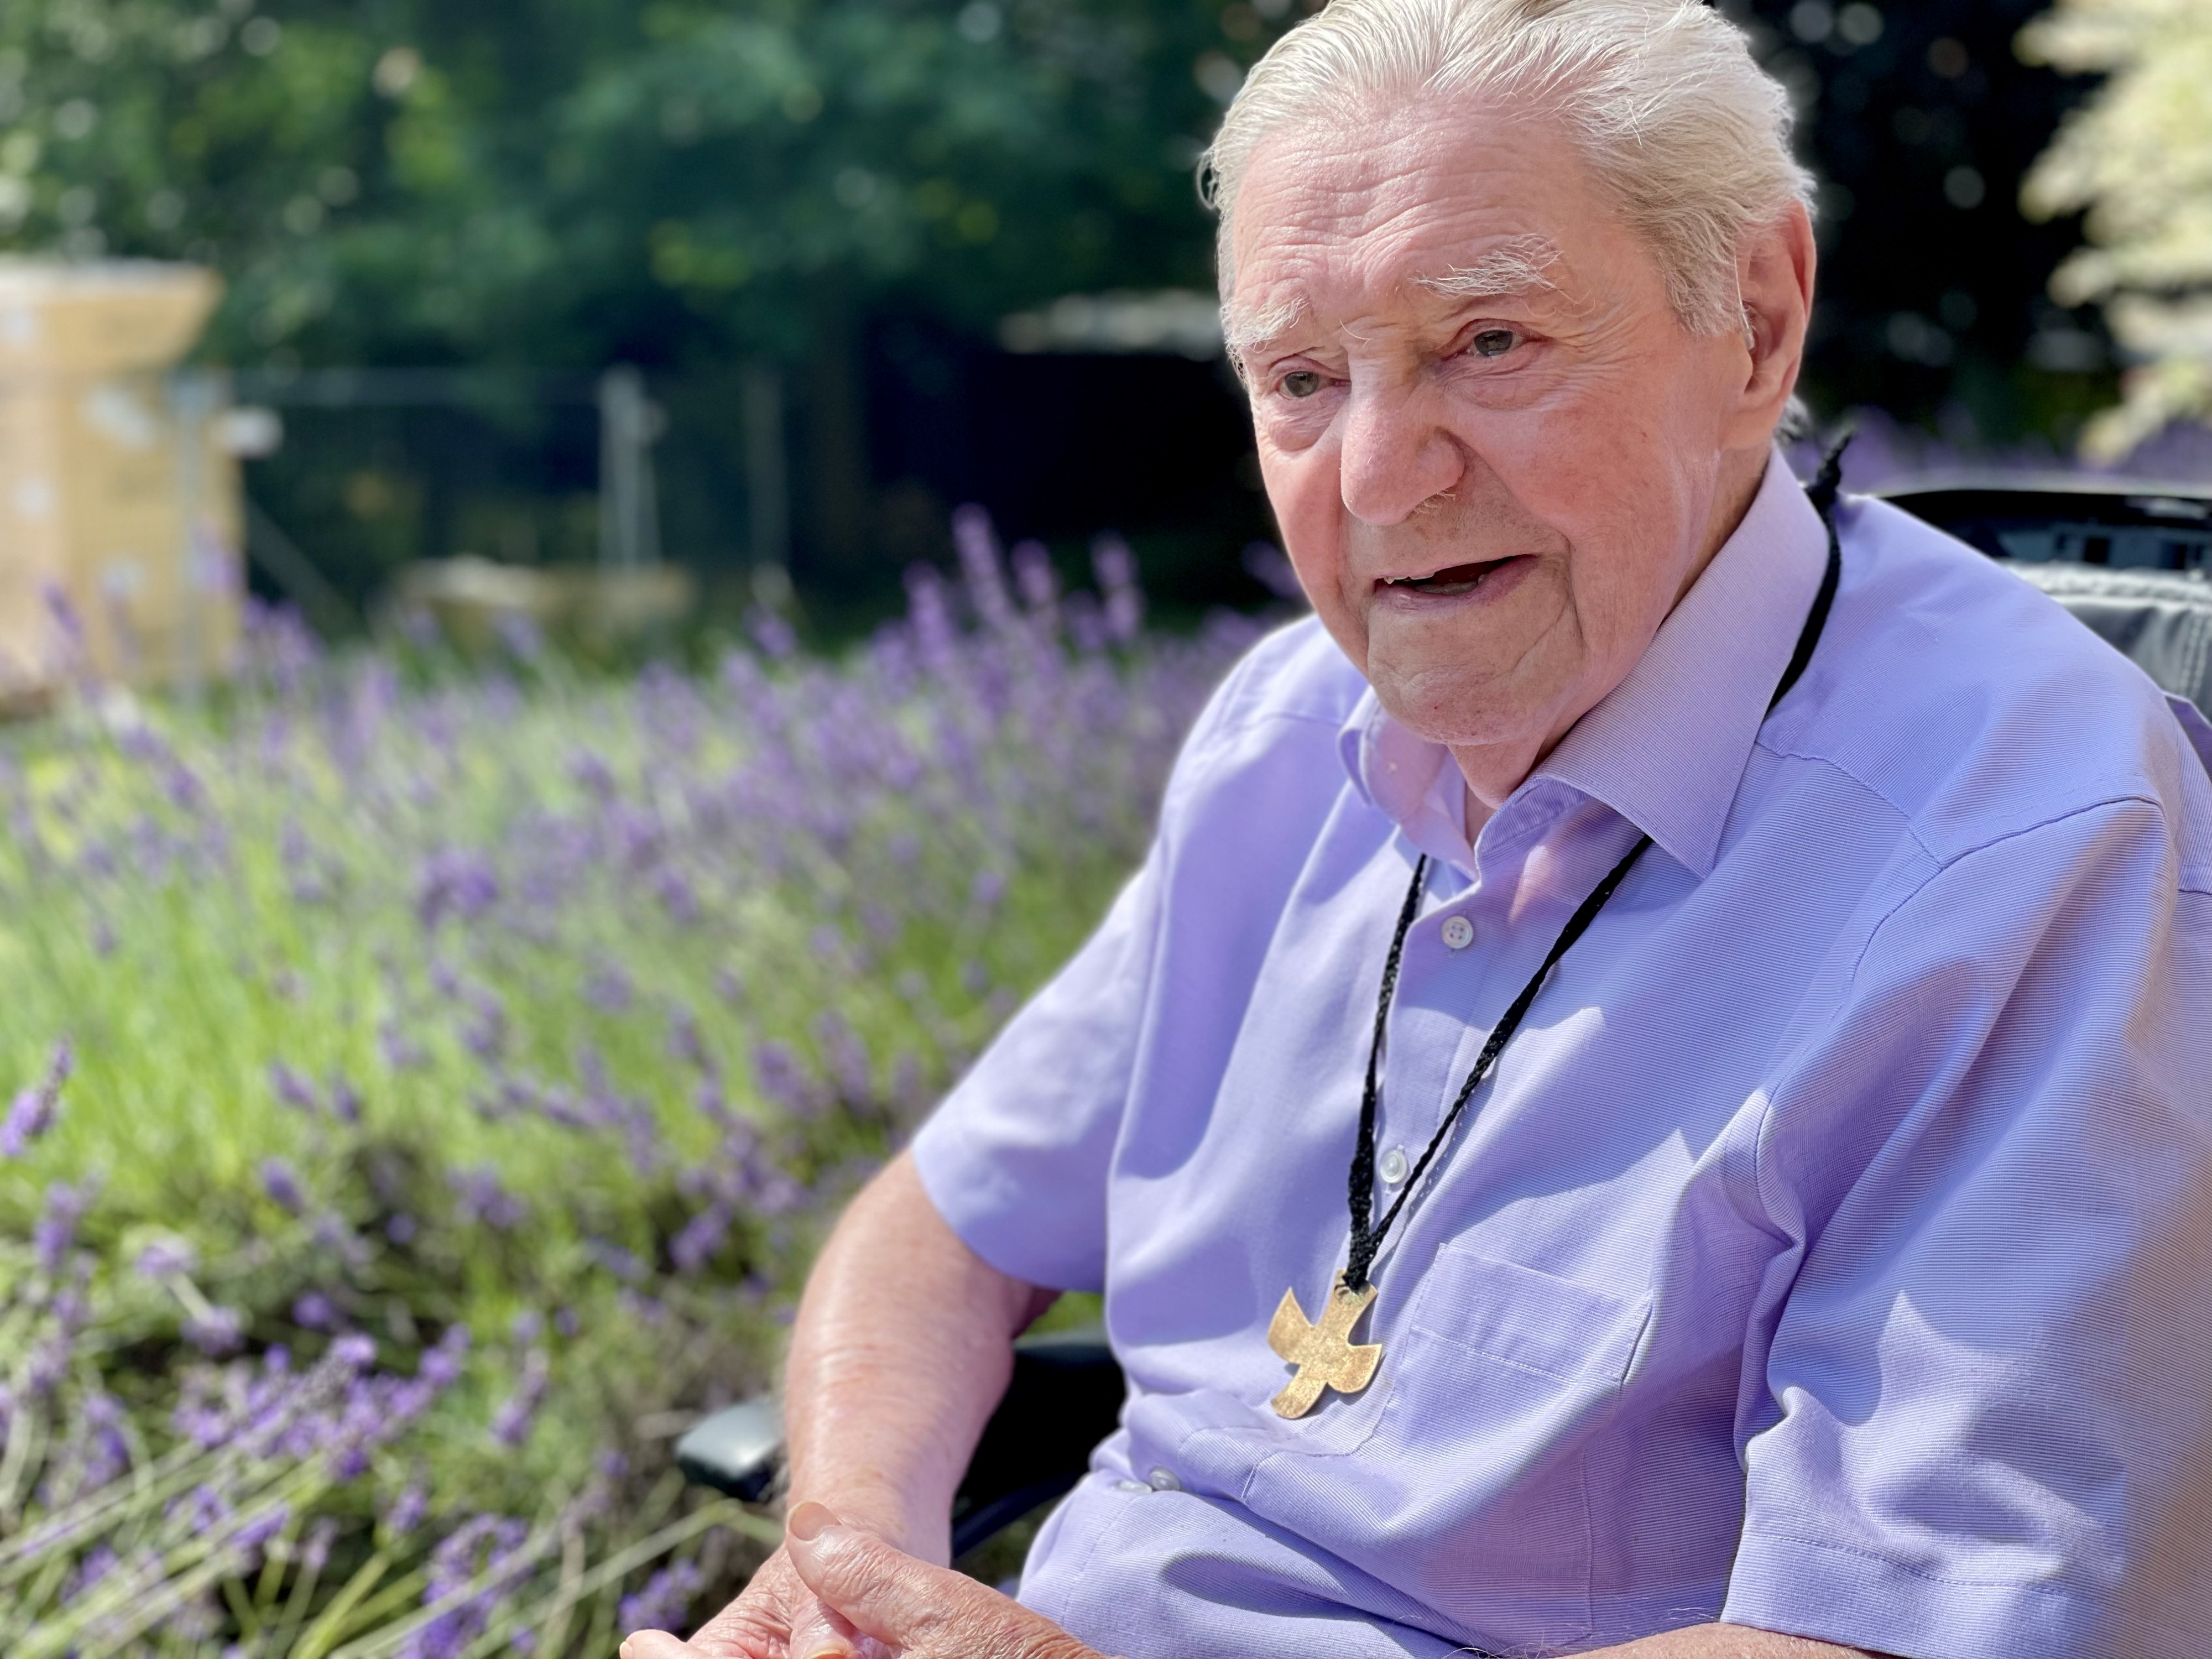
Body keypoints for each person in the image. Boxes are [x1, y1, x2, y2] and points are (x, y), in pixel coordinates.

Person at [629, 2, 2212, 1656]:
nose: (1379, 478)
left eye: (1490, 344)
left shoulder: (2038, 849)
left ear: (1754, 322)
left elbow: (1900, 1638)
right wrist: (845, 1571)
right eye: (1302, 380)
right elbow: (944, 1227)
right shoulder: (1282, 731)